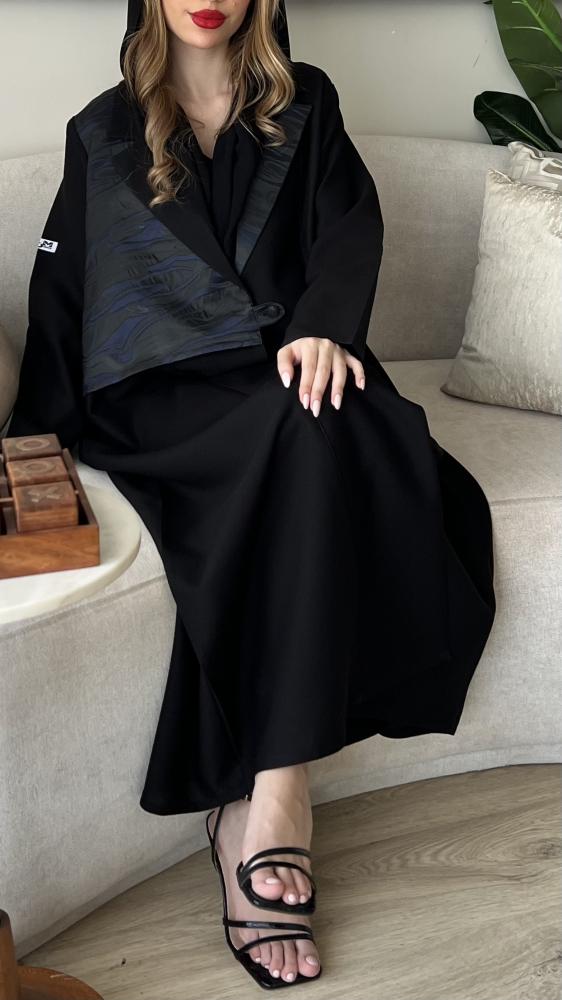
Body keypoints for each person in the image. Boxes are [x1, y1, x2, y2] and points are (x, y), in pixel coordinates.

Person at [8, 0, 497, 988]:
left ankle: (265, 800)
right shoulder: (102, 129)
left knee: (337, 422)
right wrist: (33, 437)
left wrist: (324, 327)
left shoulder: (305, 103)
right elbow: (65, 289)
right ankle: (272, 809)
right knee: (312, 431)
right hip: (161, 400)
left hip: (287, 369)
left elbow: (348, 232)